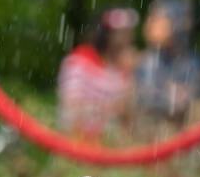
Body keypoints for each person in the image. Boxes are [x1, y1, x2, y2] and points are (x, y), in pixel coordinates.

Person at [57, 7, 139, 139]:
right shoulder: (81, 60)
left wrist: (133, 73)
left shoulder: (125, 69)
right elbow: (72, 107)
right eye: (121, 32)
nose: (127, 37)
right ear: (106, 34)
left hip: (111, 140)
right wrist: (114, 108)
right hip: (79, 138)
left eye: (129, 32)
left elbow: (129, 114)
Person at [135, 0, 200, 128]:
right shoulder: (147, 61)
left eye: (158, 18)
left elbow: (189, 101)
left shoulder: (193, 63)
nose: (150, 23)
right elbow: (146, 99)